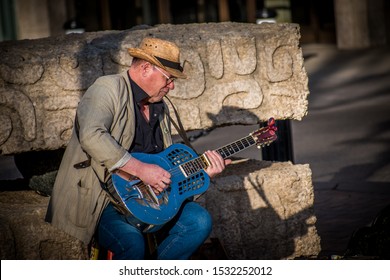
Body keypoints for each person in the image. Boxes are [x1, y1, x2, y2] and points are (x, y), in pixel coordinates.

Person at [45, 37, 230, 260]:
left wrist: (201, 176)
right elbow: (91, 135)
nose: (172, 86)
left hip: (152, 200)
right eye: (169, 79)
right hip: (103, 199)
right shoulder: (107, 88)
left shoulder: (159, 106)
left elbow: (165, 166)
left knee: (199, 222)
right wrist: (140, 169)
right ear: (145, 68)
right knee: (131, 243)